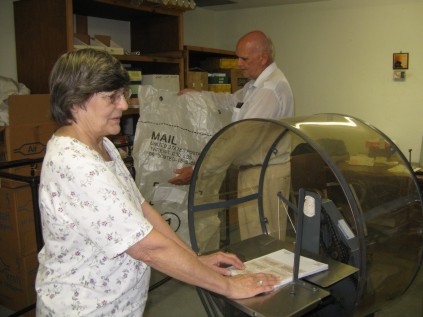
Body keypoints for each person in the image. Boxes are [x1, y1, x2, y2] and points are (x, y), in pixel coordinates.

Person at [35, 48, 280, 316]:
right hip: (85, 307)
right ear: (75, 101)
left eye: (123, 95)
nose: (124, 105)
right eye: (111, 98)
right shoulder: (75, 163)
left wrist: (193, 258)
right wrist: (228, 287)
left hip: (118, 305)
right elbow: (148, 248)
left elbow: (142, 208)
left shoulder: (101, 143)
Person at [168, 30, 294, 240]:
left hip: (264, 174)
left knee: (263, 241)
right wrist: (197, 96)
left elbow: (240, 139)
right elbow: (229, 102)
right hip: (254, 171)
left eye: (244, 58)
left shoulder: (269, 90)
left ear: (262, 58)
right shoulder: (256, 86)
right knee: (253, 236)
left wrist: (200, 168)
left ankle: (264, 274)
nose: (238, 64)